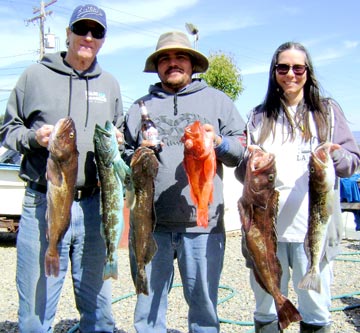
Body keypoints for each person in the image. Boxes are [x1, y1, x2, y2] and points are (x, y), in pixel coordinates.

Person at [0, 4, 123, 333]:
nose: (88, 37)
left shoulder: (110, 84)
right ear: (67, 33)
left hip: (95, 205)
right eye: (81, 29)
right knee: (36, 310)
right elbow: (7, 129)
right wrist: (32, 138)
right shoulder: (34, 75)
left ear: (103, 40)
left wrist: (121, 143)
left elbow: (117, 138)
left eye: (96, 32)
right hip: (45, 201)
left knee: (99, 308)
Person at [122, 31, 245, 333]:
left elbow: (240, 150)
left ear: (192, 64)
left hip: (203, 227)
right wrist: (135, 154)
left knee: (204, 308)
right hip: (150, 225)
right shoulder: (139, 106)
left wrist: (218, 143)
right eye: (164, 58)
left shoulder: (219, 101)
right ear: (157, 66)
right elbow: (122, 156)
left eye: (180, 57)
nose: (172, 63)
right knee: (147, 309)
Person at [235, 41, 360, 333]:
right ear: (274, 72)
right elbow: (244, 176)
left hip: (313, 230)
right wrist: (247, 163)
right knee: (266, 305)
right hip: (264, 231)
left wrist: (336, 154)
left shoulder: (327, 111)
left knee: (315, 307)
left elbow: (352, 162)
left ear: (308, 71)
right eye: (283, 67)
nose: (290, 74)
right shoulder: (257, 116)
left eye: (298, 67)